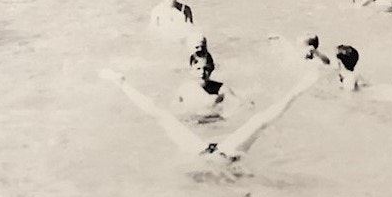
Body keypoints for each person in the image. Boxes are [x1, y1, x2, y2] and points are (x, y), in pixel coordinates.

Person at [100, 66, 320, 161]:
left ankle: (121, 83)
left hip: (208, 153)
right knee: (261, 120)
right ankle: (121, 83)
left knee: (162, 116)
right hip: (219, 154)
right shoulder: (224, 154)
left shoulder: (203, 154)